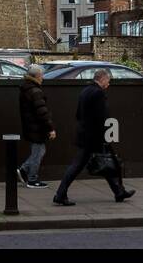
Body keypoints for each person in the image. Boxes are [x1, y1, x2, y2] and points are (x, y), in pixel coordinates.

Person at [53, 68, 135, 205]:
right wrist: (105, 135)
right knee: (80, 166)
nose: (108, 84)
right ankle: (60, 194)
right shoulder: (98, 93)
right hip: (94, 137)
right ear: (102, 79)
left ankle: (119, 192)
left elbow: (78, 114)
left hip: (85, 135)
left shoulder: (85, 91)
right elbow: (101, 117)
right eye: (108, 81)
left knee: (108, 162)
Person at [17, 64, 57, 189]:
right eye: (42, 75)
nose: (43, 78)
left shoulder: (26, 88)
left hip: (30, 126)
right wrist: (50, 128)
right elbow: (42, 112)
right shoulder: (36, 91)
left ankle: (23, 171)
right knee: (38, 152)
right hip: (37, 128)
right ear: (38, 76)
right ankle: (32, 179)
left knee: (39, 151)